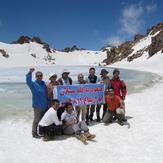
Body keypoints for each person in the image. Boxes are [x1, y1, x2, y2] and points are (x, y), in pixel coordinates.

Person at [26, 68, 49, 138]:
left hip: (44, 105)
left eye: (40, 75)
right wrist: (30, 73)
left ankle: (41, 132)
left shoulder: (44, 85)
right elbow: (28, 81)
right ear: (36, 77)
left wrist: (48, 103)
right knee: (36, 120)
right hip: (37, 106)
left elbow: (46, 95)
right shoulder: (33, 84)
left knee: (43, 120)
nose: (39, 77)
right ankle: (34, 133)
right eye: (38, 76)